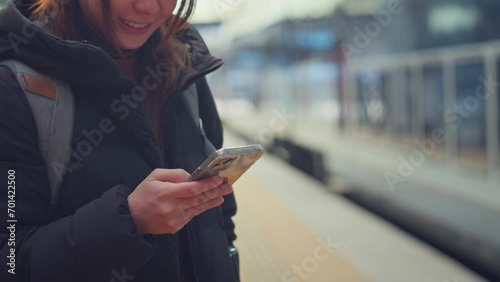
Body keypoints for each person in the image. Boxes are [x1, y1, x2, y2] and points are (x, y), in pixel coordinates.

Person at [0, 0, 240, 281]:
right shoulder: (17, 85)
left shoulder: (184, 67)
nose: (149, 8)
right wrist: (128, 221)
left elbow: (221, 221)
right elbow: (11, 261)